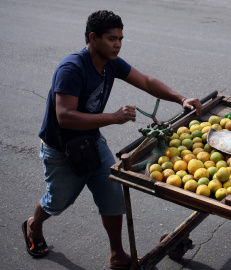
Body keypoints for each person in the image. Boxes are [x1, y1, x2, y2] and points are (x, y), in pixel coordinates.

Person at [22, 10, 202, 269]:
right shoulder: (72, 69)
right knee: (57, 201)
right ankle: (33, 225)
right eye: (111, 38)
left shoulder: (111, 63)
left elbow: (146, 81)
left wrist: (180, 98)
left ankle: (117, 255)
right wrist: (113, 117)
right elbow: (65, 117)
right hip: (61, 150)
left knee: (112, 194)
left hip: (92, 142)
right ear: (93, 38)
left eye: (120, 38)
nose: (117, 44)